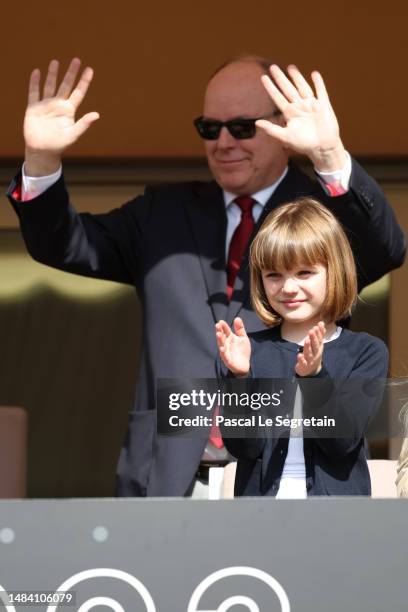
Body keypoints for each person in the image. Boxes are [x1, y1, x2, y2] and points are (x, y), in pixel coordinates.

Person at [7, 56, 405, 497]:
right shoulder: (164, 213)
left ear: (284, 130)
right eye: (210, 129)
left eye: (241, 127)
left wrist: (329, 155)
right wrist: (41, 159)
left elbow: (386, 248)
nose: (224, 142)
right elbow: (63, 244)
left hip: (282, 477)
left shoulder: (319, 214)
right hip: (168, 471)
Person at [215, 198, 389, 496]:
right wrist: (240, 379)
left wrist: (314, 378)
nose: (288, 288)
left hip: (335, 527)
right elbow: (243, 447)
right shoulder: (244, 351)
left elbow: (341, 443)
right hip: (261, 522)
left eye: (304, 273)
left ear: (335, 272)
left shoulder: (366, 351)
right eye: (274, 275)